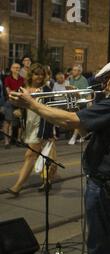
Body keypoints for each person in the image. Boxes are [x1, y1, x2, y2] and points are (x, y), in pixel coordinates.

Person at [9, 58, 110, 254]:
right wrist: (75, 110)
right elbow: (86, 130)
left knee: (99, 246)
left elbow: (69, 121)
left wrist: (32, 104)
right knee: (102, 242)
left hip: (106, 185)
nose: (103, 86)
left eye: (107, 80)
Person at [4, 63, 56, 196]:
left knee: (30, 155)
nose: (39, 77)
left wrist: (51, 130)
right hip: (29, 125)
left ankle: (17, 187)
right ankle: (48, 180)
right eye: (36, 74)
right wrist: (17, 109)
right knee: (44, 155)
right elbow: (18, 104)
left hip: (42, 126)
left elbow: (53, 111)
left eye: (41, 74)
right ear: (31, 75)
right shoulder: (25, 88)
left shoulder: (47, 90)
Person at [3, 63, 25, 149]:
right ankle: (6, 141)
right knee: (7, 121)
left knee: (20, 122)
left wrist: (16, 92)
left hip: (20, 102)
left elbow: (24, 90)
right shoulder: (7, 79)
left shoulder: (22, 79)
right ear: (11, 69)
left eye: (18, 68)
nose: (17, 69)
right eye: (15, 67)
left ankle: (18, 140)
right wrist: (17, 92)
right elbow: (9, 92)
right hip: (10, 101)